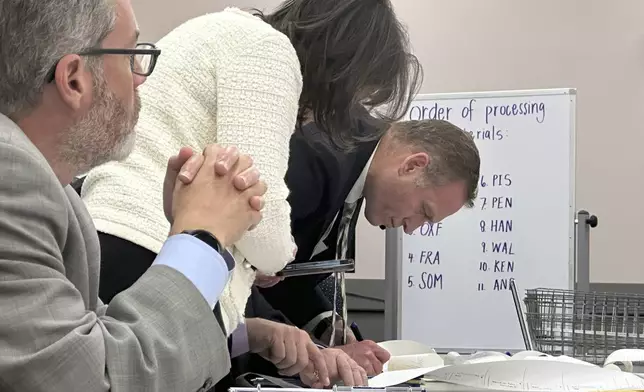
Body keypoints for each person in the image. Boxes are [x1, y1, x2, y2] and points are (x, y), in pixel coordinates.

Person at [79, 0, 420, 385]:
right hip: (150, 250)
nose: (346, 111)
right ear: (347, 65)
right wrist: (273, 261)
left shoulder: (226, 34)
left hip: (127, 244)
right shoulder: (268, 51)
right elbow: (262, 217)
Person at [0, 0, 278, 391]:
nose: (140, 78)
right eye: (131, 55)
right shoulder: (12, 176)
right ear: (74, 79)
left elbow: (95, 344)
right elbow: (99, 381)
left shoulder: (53, 191)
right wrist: (200, 237)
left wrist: (190, 233)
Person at [258, 117, 481, 368]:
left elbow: (287, 278)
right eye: (424, 211)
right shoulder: (316, 157)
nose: (410, 228)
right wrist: (317, 353)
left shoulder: (354, 171)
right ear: (413, 166)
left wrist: (325, 327)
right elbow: (241, 273)